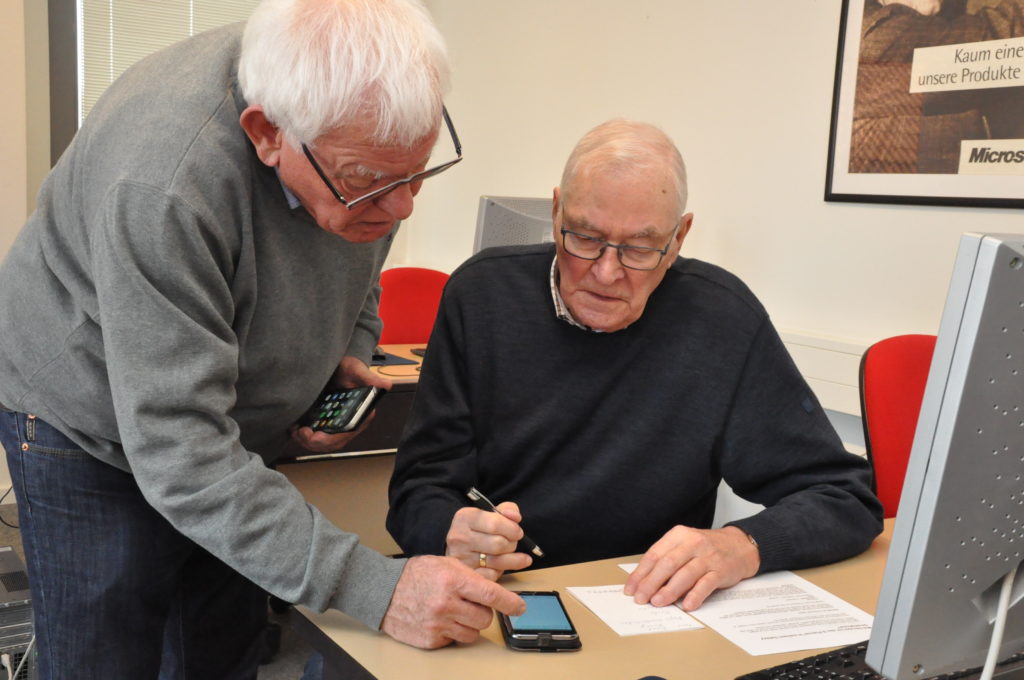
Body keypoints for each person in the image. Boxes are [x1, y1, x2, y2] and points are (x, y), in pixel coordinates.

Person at [0, 0, 524, 677]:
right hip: (83, 412)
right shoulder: (165, 184)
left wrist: (346, 351)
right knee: (106, 652)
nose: (402, 209)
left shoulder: (362, 141)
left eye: (417, 172)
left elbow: (360, 262)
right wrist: (378, 588)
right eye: (371, 184)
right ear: (266, 134)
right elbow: (181, 450)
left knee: (220, 645)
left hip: (216, 425)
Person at [387, 119, 884, 613]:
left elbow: (845, 499)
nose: (606, 272)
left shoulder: (722, 318)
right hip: (500, 599)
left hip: (646, 608)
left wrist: (742, 545)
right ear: (556, 210)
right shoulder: (481, 296)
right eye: (583, 237)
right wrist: (447, 529)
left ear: (680, 237)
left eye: (640, 248)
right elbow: (418, 489)